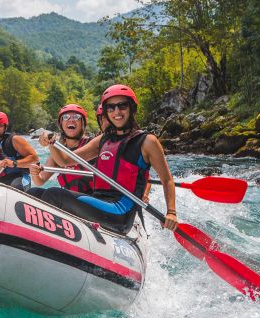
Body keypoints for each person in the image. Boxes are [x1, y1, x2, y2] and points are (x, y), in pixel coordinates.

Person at [39, 84, 179, 234]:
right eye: (111, 108)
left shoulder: (147, 141)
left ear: (132, 108)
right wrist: (51, 142)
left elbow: (167, 179)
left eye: (122, 106)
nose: (116, 112)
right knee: (36, 193)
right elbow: (65, 161)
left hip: (120, 211)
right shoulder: (103, 140)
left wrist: (171, 212)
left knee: (54, 195)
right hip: (99, 200)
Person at [29, 103, 94, 193]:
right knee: (33, 192)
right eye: (66, 117)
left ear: (82, 123)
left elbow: (63, 161)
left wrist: (51, 142)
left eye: (76, 117)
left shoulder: (92, 144)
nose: (71, 120)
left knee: (52, 193)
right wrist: (34, 173)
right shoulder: (59, 151)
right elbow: (40, 181)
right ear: (61, 124)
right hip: (68, 200)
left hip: (91, 198)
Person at [0, 111, 38, 190]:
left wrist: (13, 163)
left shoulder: (15, 140)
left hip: (19, 178)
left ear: (5, 126)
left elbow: (34, 159)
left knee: (16, 187)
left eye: (0, 125)